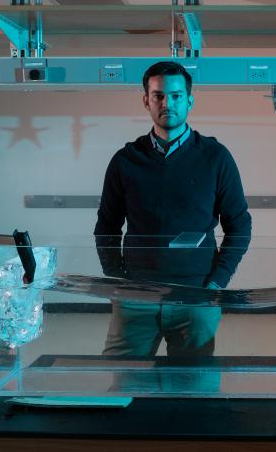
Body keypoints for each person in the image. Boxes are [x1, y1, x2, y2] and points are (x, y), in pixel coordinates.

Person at [94, 61, 251, 358]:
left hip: (196, 295)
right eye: (159, 96)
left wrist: (216, 283)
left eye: (177, 96)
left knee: (192, 391)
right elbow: (106, 228)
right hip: (136, 297)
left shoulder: (215, 157)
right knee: (120, 380)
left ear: (190, 100)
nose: (168, 103)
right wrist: (118, 281)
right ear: (146, 100)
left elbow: (240, 225)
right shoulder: (125, 161)